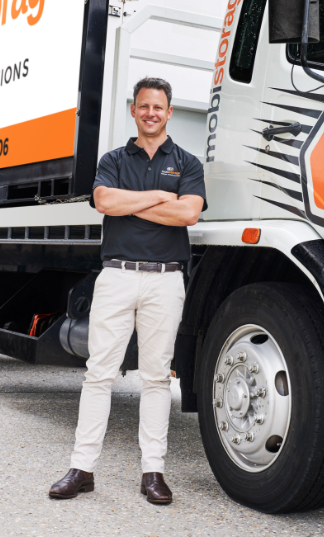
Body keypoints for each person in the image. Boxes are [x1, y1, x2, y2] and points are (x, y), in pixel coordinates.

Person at [49, 77, 206, 505]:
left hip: (165, 280)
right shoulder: (114, 158)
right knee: (99, 374)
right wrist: (159, 196)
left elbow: (188, 213)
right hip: (116, 276)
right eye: (144, 106)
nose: (151, 113)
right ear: (133, 111)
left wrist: (134, 200)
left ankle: (152, 472)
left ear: (169, 112)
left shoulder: (188, 163)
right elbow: (104, 202)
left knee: (155, 379)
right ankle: (81, 469)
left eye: (158, 107)